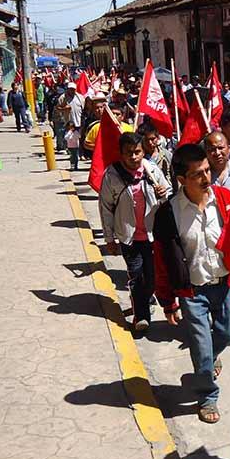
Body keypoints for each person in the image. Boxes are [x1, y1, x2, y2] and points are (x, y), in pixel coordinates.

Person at [152, 144, 230, 424]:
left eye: (207, 170)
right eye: (197, 174)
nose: (206, 178)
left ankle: (208, 359)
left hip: (226, 284)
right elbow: (163, 262)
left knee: (228, 333)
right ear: (181, 180)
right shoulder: (168, 214)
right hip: (193, 292)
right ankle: (207, 395)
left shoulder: (225, 199)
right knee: (201, 346)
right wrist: (167, 301)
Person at [99, 132, 171, 331]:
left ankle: (143, 298)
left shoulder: (152, 170)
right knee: (137, 275)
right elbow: (105, 207)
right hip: (128, 236)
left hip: (152, 234)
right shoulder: (111, 176)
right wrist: (109, 238)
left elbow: (169, 193)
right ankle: (141, 316)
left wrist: (163, 194)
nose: (133, 157)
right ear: (121, 154)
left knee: (152, 277)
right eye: (128, 153)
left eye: (137, 152)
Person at [203, 130, 230, 197]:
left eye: (220, 148)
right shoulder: (202, 177)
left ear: (229, 149)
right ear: (206, 152)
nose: (217, 153)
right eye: (212, 149)